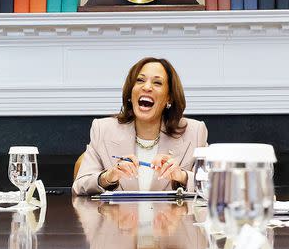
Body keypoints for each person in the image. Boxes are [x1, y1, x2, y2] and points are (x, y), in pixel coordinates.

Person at [73, 57, 208, 195]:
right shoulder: (103, 129)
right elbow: (79, 186)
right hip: (117, 217)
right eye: (140, 80)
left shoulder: (195, 132)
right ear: (131, 93)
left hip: (172, 217)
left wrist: (183, 176)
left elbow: (215, 186)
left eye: (157, 82)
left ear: (169, 97)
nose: (147, 87)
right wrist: (107, 177)